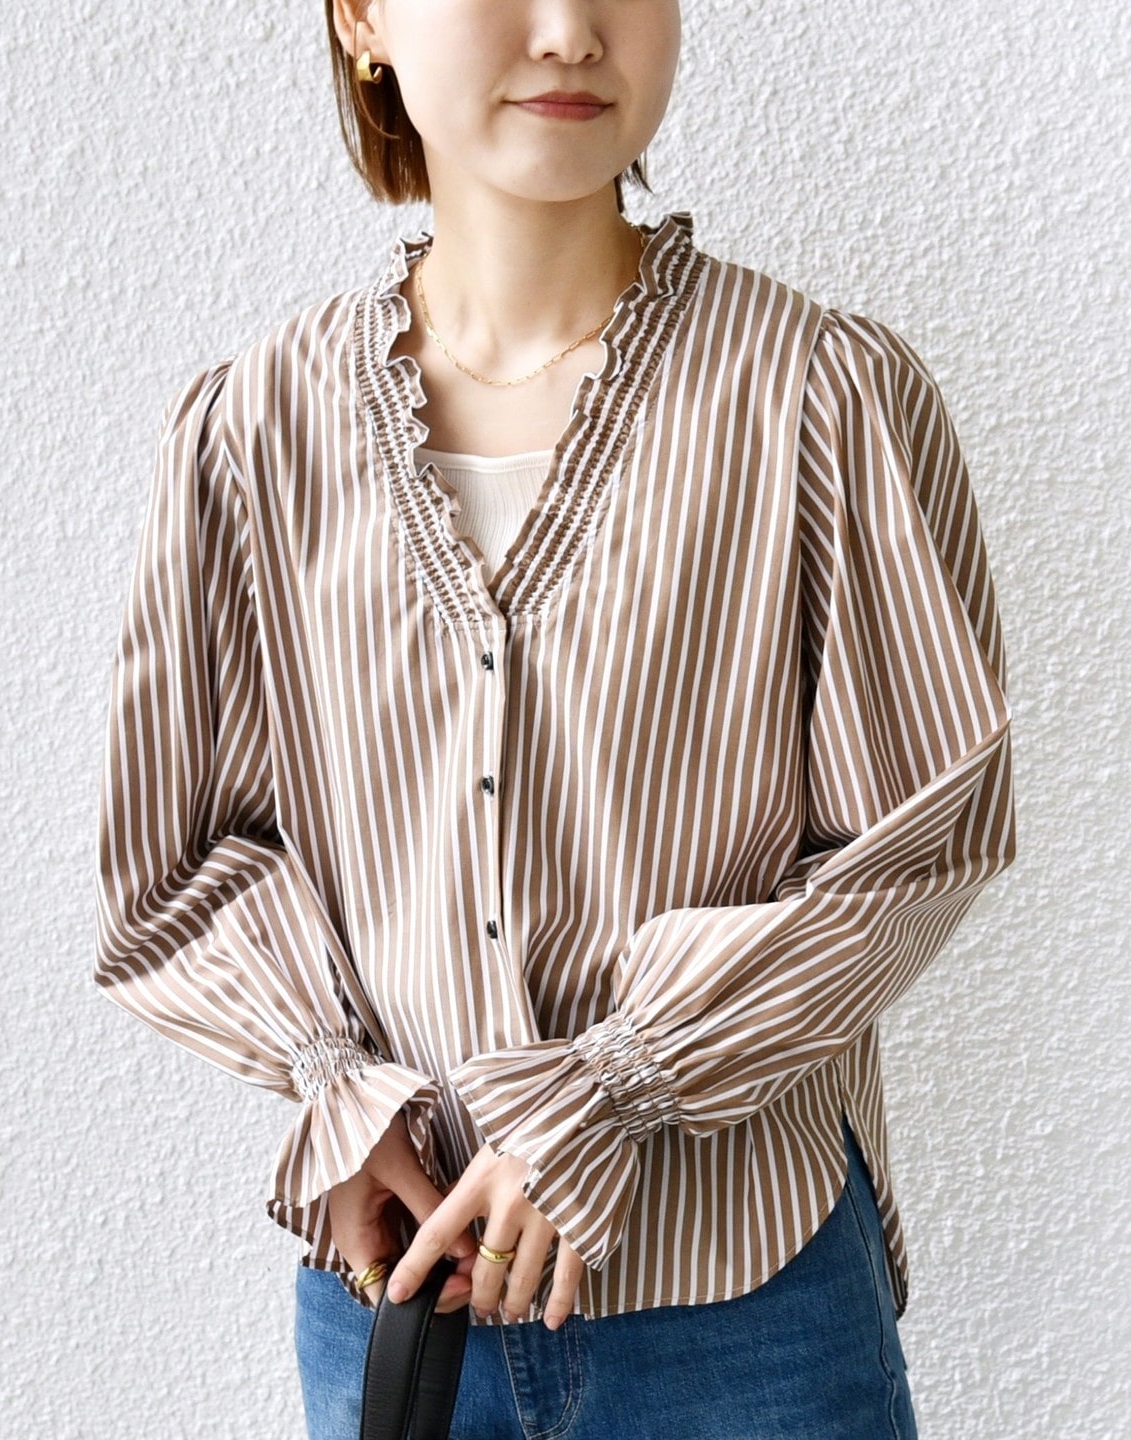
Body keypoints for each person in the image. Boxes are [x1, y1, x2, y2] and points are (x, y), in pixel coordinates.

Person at [92, 1, 1017, 1436]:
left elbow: (921, 841)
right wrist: (338, 1090)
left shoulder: (823, 397)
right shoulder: (252, 432)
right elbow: (179, 857)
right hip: (402, 1291)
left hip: (748, 1306)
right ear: (362, 18)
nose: (574, 32)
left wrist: (615, 1086)